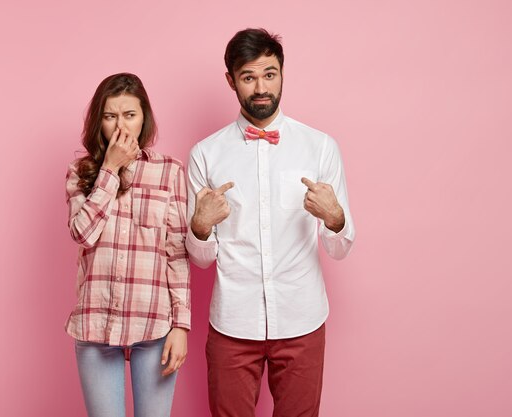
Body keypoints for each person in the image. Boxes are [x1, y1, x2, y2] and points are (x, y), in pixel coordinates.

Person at [185, 29, 356, 417]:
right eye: (248, 77)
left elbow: (341, 247)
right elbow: (200, 259)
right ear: (231, 81)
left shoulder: (320, 147)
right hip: (233, 322)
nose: (261, 87)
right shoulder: (204, 155)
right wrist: (200, 227)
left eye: (270, 74)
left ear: (282, 73)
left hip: (302, 318)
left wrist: (334, 217)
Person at [65, 73, 190, 417]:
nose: (121, 126)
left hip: (153, 326)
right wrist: (110, 169)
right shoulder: (81, 172)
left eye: (129, 115)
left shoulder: (170, 172)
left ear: (144, 117)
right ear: (99, 122)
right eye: (110, 117)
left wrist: (181, 326)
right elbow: (83, 233)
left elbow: (176, 254)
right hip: (95, 324)